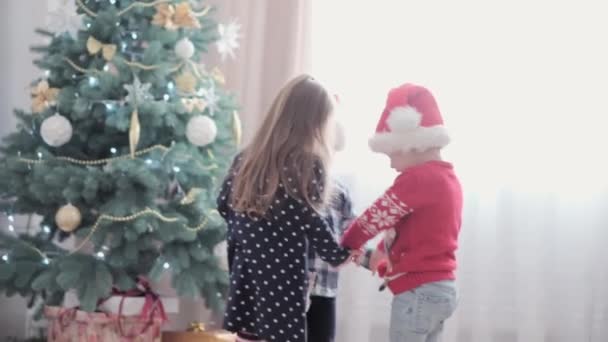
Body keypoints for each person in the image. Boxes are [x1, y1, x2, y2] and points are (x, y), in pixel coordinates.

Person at [217, 75, 355, 342]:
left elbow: (224, 204)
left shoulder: (246, 159)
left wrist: (255, 235)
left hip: (248, 276)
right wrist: (337, 255)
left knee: (250, 335)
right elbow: (311, 221)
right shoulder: (307, 165)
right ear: (316, 124)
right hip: (284, 281)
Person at [342, 83, 463, 342]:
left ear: (412, 145)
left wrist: (348, 241)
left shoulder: (418, 178)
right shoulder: (448, 179)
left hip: (418, 292)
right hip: (442, 287)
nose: (392, 165)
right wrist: (377, 255)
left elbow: (376, 216)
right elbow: (414, 233)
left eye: (392, 154)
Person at [306, 178, 354, 342]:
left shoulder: (338, 189)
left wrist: (367, 256)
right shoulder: (286, 189)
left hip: (325, 287)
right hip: (291, 286)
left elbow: (351, 232)